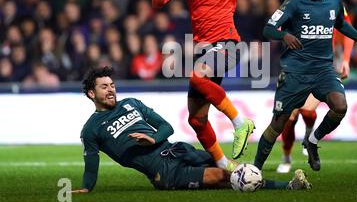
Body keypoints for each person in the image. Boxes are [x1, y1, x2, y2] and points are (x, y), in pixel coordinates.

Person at [152, 0, 311, 171]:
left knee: (197, 76)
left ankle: (240, 123)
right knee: (196, 120)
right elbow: (158, 2)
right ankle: (224, 165)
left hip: (228, 45)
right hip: (205, 52)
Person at [71, 66, 312, 192]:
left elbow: (166, 127)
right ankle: (288, 187)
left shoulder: (131, 103)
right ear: (92, 94)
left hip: (178, 150)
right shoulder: (91, 129)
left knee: (228, 166)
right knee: (222, 177)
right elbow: (91, 164)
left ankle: (288, 186)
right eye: (104, 87)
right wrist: (85, 187)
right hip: (163, 172)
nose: (111, 90)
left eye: (112, 85)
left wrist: (153, 139)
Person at [254, 0, 357, 172]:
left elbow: (343, 26)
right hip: (295, 71)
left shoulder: (335, 1)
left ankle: (313, 141)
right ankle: (256, 170)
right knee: (278, 125)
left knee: (340, 106)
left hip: (323, 70)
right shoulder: (294, 1)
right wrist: (285, 35)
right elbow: (268, 29)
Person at [277, 0, 355, 174]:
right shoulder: (298, 2)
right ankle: (287, 156)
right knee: (290, 118)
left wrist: (345, 59)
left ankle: (309, 135)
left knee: (307, 109)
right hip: (297, 67)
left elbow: (348, 30)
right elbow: (279, 25)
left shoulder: (334, 3)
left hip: (321, 67)